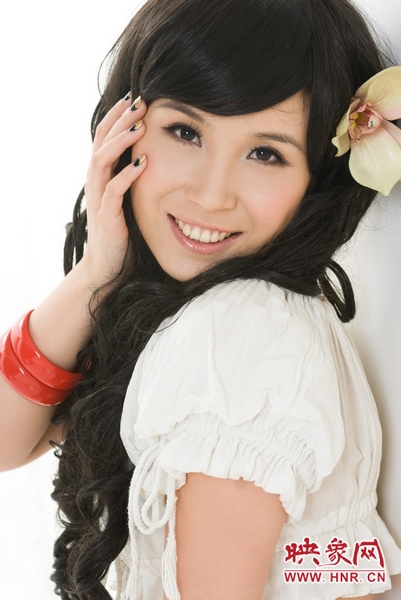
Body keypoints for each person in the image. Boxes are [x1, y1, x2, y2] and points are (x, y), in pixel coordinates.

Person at [1, 0, 401, 598]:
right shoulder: (196, 312)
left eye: (266, 153)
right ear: (123, 130)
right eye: (185, 132)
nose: (212, 195)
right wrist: (96, 273)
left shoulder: (241, 336)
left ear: (318, 178)